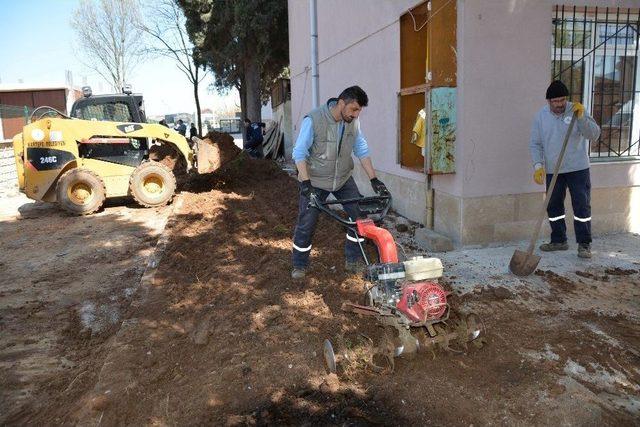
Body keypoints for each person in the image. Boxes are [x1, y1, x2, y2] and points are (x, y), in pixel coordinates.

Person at [291, 85, 389, 279]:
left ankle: (353, 260)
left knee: (359, 217)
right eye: (353, 109)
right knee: (307, 222)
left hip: (343, 179)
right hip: (316, 180)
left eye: (359, 111)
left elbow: (361, 149)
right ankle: (299, 265)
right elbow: (299, 153)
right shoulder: (314, 120)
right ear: (341, 103)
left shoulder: (353, 123)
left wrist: (374, 179)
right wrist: (306, 183)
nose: (355, 115)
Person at [529, 80, 601, 259]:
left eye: (562, 100)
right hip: (554, 170)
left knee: (581, 206)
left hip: (578, 169)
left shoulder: (576, 111)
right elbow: (535, 144)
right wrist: (538, 166)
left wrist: (582, 117)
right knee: (553, 206)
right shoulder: (541, 116)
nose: (560, 104)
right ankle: (559, 240)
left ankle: (584, 244)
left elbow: (594, 134)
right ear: (549, 101)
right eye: (555, 101)